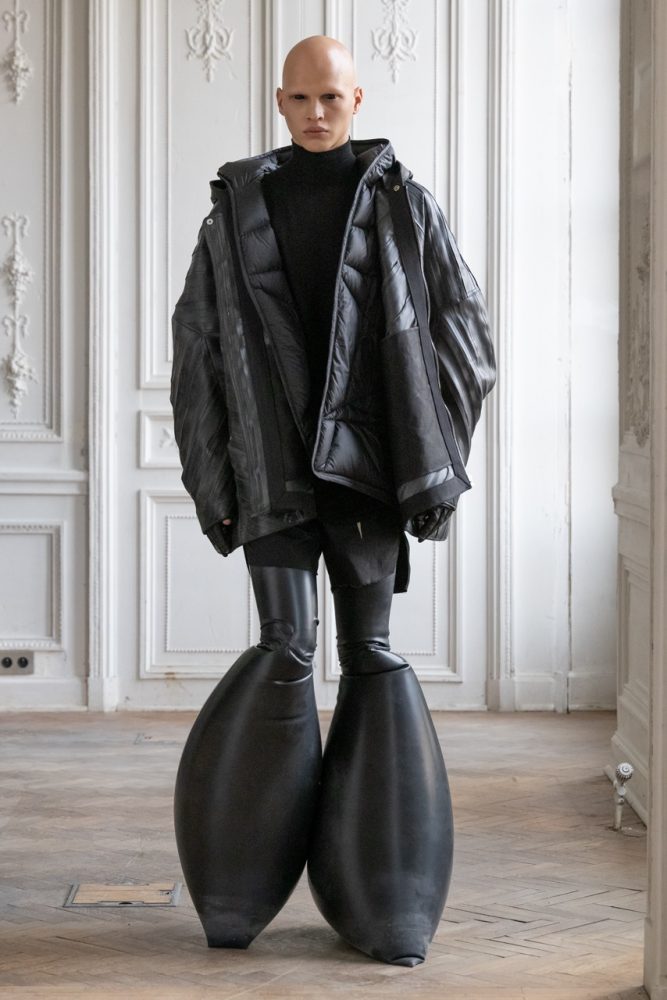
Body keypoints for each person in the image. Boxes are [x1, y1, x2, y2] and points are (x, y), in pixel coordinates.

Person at [170, 35, 496, 967]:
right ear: (280, 102)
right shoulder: (235, 211)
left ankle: (386, 905)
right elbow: (197, 355)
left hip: (366, 481)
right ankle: (236, 895)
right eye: (300, 99)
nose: (316, 114)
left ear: (357, 100)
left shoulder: (403, 206)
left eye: (332, 98)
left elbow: (465, 340)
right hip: (272, 474)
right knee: (285, 648)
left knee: (369, 655)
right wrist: (213, 484)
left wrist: (429, 463)